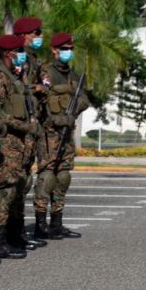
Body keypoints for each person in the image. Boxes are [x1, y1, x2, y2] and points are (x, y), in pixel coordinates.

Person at [0, 31, 40, 257]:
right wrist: (23, 127)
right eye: (19, 51)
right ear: (9, 53)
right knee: (5, 193)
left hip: (19, 145)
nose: (23, 55)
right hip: (7, 144)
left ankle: (13, 235)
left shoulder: (14, 77)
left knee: (17, 190)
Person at [35, 30, 87, 239]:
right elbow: (41, 101)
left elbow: (83, 98)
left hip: (67, 133)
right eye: (65, 49)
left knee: (63, 176)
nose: (68, 52)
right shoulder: (46, 72)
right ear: (54, 50)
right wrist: (57, 119)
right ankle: (40, 223)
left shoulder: (73, 74)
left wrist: (73, 111)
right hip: (50, 133)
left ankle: (57, 222)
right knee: (47, 176)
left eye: (71, 49)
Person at [12, 17, 49, 245]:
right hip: (20, 126)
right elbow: (16, 87)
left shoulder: (32, 59)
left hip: (31, 124)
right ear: (23, 35)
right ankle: (11, 232)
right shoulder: (18, 57)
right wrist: (35, 88)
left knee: (24, 179)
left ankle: (16, 231)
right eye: (35, 32)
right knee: (17, 180)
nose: (39, 36)